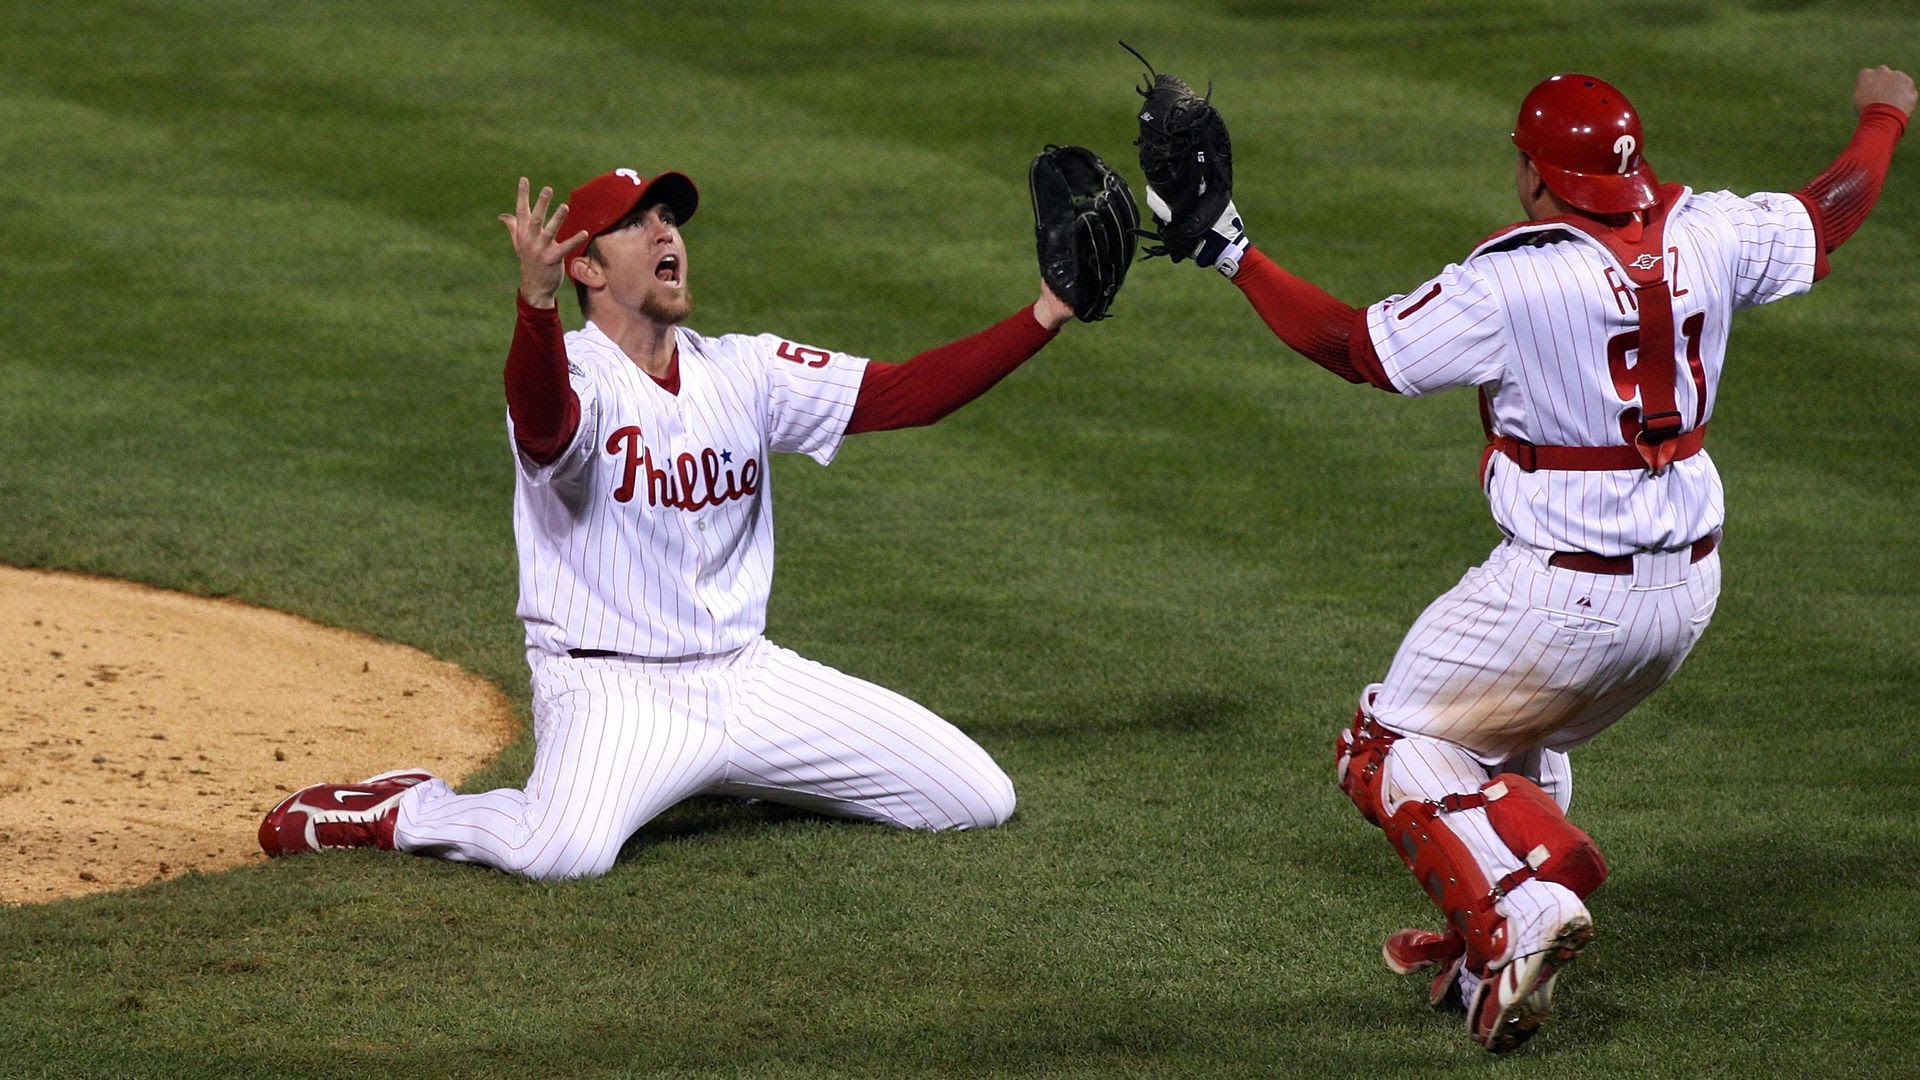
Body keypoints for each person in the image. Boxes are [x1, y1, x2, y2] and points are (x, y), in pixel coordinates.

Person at [1156, 67, 1912, 1052]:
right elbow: (1830, 212)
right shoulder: (1712, 229)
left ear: (1537, 175)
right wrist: (1884, 116)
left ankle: (1523, 908)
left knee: (1386, 747)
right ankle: (1490, 956)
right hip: (1688, 593)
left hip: (1564, 596)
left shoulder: (1512, 280)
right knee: (1510, 742)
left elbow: (1355, 349)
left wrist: (1231, 252)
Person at [259, 165, 1090, 880]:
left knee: (974, 797)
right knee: (562, 852)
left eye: (670, 218)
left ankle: (738, 772)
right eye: (637, 222)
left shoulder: (746, 368)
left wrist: (1046, 312)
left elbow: (906, 395)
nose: (667, 233)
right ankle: (404, 810)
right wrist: (535, 306)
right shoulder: (573, 374)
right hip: (611, 690)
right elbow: (545, 427)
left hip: (748, 678)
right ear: (586, 265)